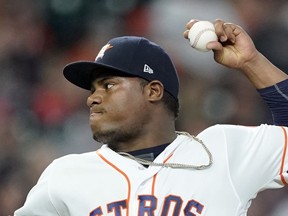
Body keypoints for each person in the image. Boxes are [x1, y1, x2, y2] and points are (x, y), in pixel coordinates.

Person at [14, 19, 288, 216]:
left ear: (153, 90)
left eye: (108, 85)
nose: (92, 98)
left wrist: (251, 62)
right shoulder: (65, 175)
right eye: (93, 89)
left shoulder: (224, 150)